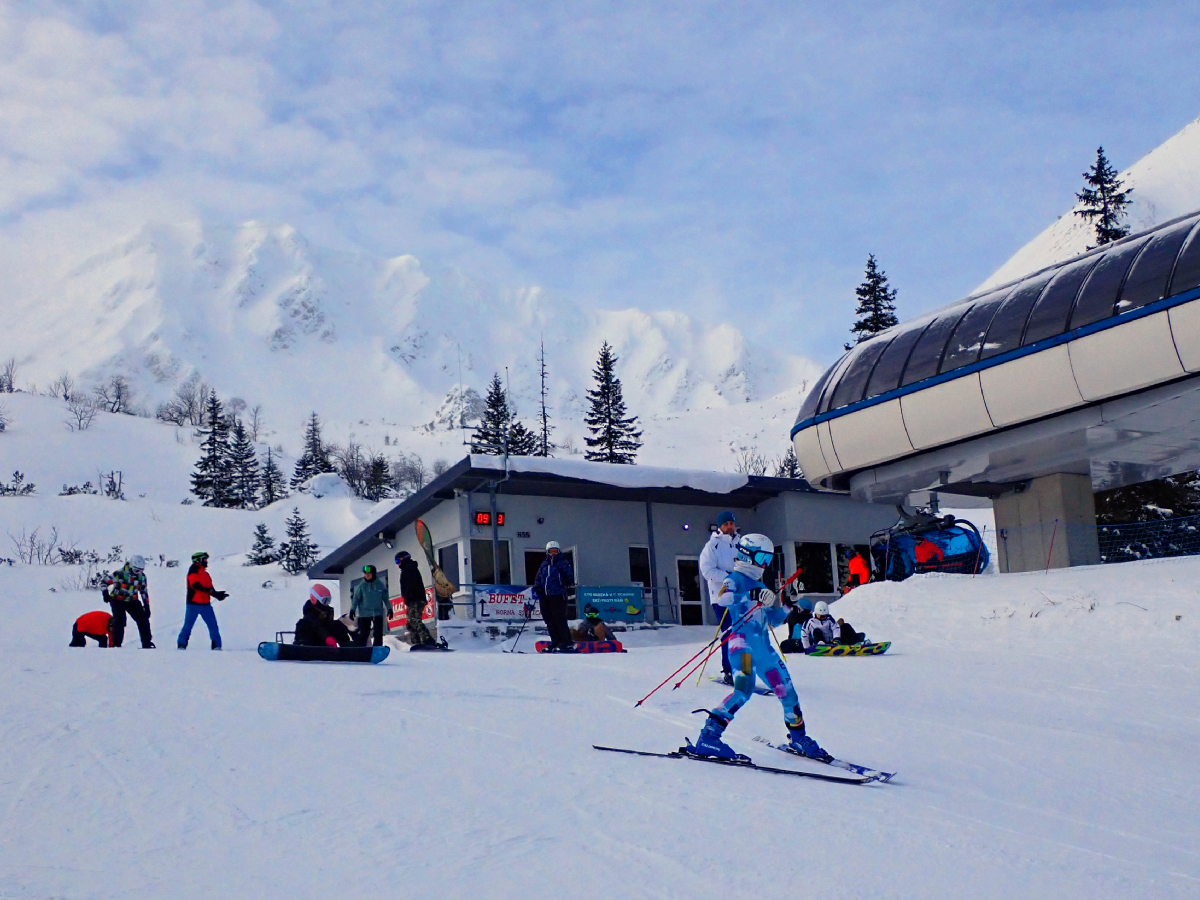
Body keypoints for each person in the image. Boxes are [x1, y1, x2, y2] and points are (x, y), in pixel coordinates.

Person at [692, 533, 829, 761]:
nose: (765, 565)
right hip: (741, 646)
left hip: (764, 649)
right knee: (743, 691)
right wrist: (751, 595)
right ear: (747, 556)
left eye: (768, 560)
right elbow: (722, 598)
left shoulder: (759, 584)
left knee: (789, 694)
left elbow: (772, 620)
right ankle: (709, 737)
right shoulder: (734, 578)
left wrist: (787, 604)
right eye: (762, 559)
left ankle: (798, 738)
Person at [699, 511, 739, 684]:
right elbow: (708, 571)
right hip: (721, 597)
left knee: (744, 632)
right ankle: (728, 670)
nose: (729, 526)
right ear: (720, 526)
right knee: (729, 632)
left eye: (731, 523)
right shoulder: (712, 546)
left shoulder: (742, 542)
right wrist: (728, 577)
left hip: (740, 596)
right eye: (726, 524)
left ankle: (744, 668)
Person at [178, 551, 227, 650]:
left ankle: (217, 646)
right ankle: (181, 645)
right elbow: (195, 585)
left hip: (206, 605)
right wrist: (209, 591)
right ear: (199, 560)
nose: (206, 562)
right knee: (188, 625)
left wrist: (217, 595)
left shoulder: (206, 574)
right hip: (193, 604)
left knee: (213, 625)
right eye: (205, 559)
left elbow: (210, 589)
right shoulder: (193, 570)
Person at [532, 541, 575, 652]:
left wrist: (567, 581)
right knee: (548, 619)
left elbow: (569, 576)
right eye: (551, 551)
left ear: (558, 551)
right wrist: (538, 587)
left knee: (559, 618)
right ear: (547, 552)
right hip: (545, 595)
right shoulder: (544, 564)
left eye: (555, 551)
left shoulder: (562, 563)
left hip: (558, 594)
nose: (553, 554)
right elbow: (538, 577)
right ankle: (555, 641)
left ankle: (565, 641)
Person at [104, 554, 154, 648]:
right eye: (136, 570)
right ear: (131, 566)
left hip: (132, 600)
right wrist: (105, 593)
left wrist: (146, 606)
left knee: (143, 619)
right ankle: (116, 645)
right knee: (120, 620)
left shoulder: (142, 577)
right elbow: (104, 582)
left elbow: (143, 591)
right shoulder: (120, 574)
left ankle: (147, 643)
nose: (138, 572)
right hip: (117, 599)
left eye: (141, 570)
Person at [395, 551, 435, 647]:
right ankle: (416, 641)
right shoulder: (407, 569)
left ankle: (427, 640)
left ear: (403, 559)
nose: (397, 564)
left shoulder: (409, 569)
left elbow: (411, 585)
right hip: (412, 599)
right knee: (410, 622)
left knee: (414, 620)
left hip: (416, 599)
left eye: (397, 561)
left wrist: (409, 596)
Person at [351, 564, 392, 647]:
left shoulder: (380, 585)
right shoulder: (361, 586)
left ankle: (377, 649)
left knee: (378, 633)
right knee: (364, 634)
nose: (367, 575)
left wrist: (390, 609)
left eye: (369, 573)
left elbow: (385, 598)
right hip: (364, 614)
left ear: (373, 574)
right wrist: (352, 609)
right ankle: (361, 650)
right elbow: (356, 599)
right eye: (365, 573)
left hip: (377, 613)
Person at [801, 600, 867, 649]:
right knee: (817, 631)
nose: (823, 618)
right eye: (821, 616)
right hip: (820, 642)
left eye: (825, 616)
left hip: (833, 642)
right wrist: (807, 648)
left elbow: (836, 628)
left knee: (846, 626)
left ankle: (857, 643)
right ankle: (821, 645)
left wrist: (836, 639)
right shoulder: (810, 621)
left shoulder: (829, 619)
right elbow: (804, 634)